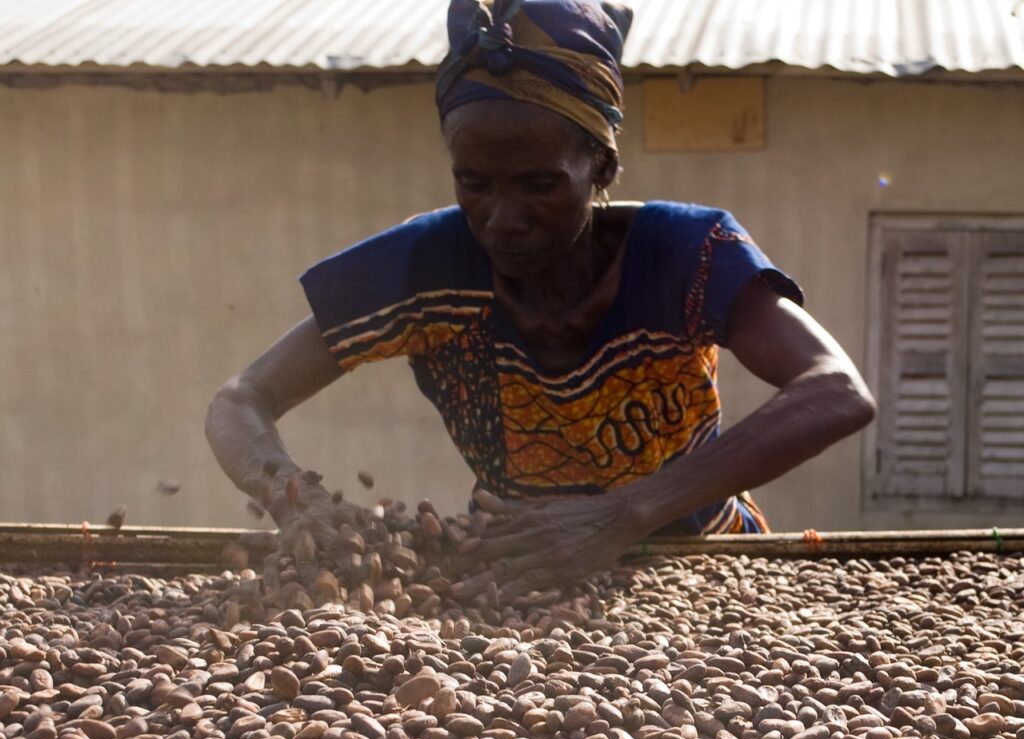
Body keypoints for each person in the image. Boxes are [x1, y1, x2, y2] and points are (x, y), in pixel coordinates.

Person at [206, 0, 875, 599]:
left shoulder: (682, 253)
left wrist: (625, 514)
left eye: (538, 185)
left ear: (602, 169)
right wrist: (293, 498)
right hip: (522, 576)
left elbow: (836, 390)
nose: (502, 218)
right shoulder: (428, 267)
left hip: (707, 564)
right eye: (475, 184)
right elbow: (241, 401)